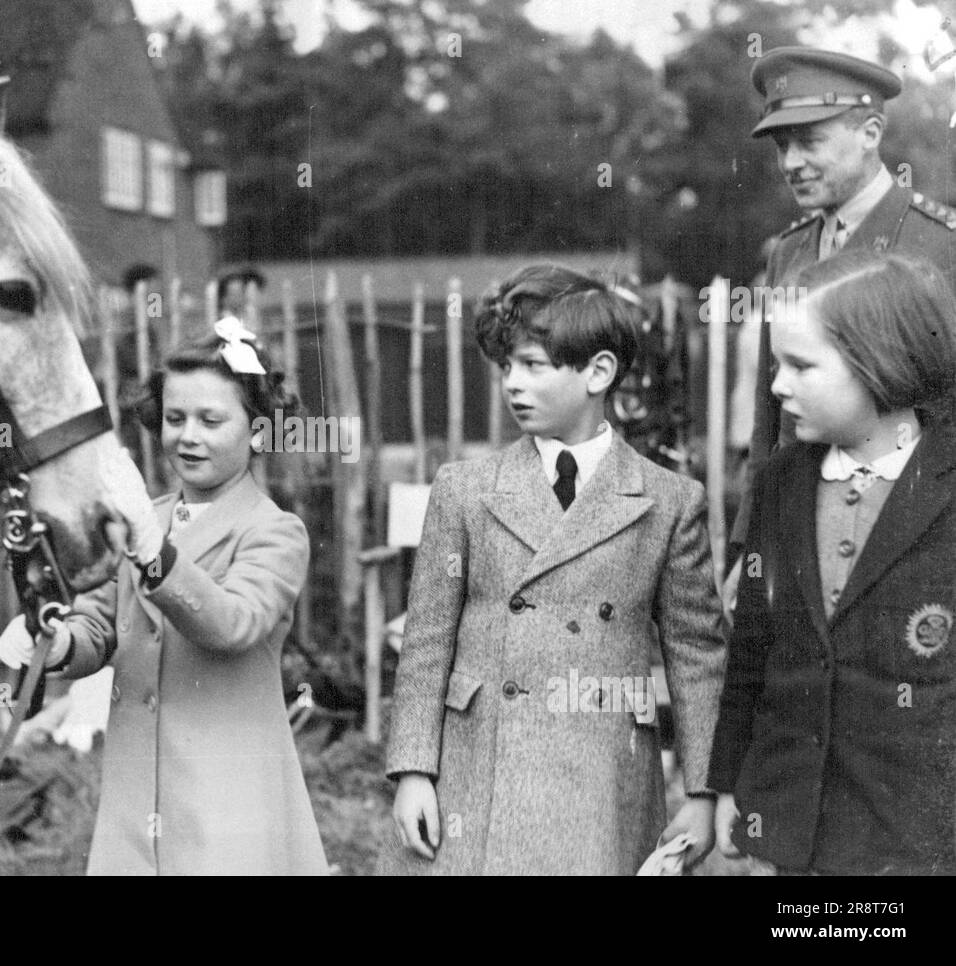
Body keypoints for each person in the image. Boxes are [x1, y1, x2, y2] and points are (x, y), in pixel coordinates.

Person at [382, 264, 727, 875]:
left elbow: (698, 657)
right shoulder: (465, 490)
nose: (514, 384)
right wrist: (413, 769)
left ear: (598, 372)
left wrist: (702, 793)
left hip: (601, 774)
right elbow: (426, 644)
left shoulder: (668, 501)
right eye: (506, 366)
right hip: (476, 768)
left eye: (534, 366)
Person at [0, 321, 328, 875]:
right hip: (136, 797)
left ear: (259, 432)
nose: (188, 436)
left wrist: (155, 554)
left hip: (225, 801)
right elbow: (99, 624)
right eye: (175, 419)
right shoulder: (147, 518)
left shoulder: (275, 531)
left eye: (211, 420)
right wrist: (53, 644)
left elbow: (232, 624)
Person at [710, 250, 956, 875]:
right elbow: (752, 648)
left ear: (880, 365)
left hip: (917, 840)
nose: (776, 387)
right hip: (794, 832)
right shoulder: (778, 483)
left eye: (800, 366)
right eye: (774, 365)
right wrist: (727, 783)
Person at [734, 46, 956, 551]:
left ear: (870, 134)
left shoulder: (942, 246)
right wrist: (749, 547)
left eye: (809, 141)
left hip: (912, 541)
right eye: (781, 146)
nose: (791, 163)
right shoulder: (789, 251)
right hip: (797, 537)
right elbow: (769, 427)